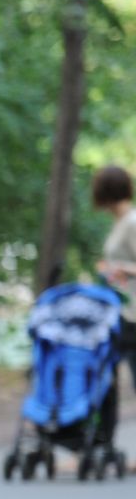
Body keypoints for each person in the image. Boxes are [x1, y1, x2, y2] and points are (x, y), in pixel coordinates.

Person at [91, 165, 136, 393]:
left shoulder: (132, 222)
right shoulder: (120, 222)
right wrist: (109, 270)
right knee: (106, 378)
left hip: (134, 314)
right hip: (121, 311)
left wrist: (122, 269)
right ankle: (105, 427)